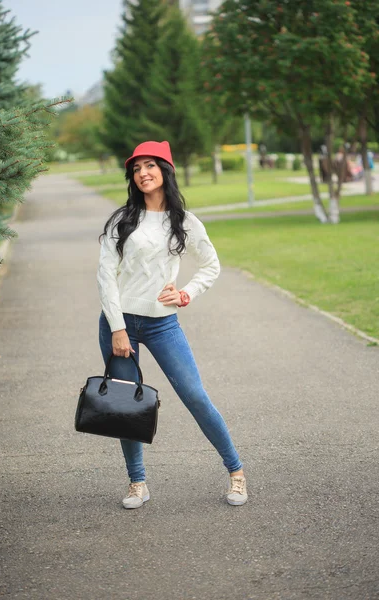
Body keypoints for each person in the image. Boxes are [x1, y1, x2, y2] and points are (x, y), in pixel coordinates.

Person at [97, 140, 247, 509]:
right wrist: (117, 327)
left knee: (195, 396)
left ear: (166, 171)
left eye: (151, 165)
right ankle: (137, 483)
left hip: (163, 325)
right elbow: (106, 276)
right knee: (125, 407)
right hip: (120, 325)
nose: (143, 173)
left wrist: (186, 294)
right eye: (137, 168)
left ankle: (237, 472)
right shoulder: (122, 220)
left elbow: (211, 266)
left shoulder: (185, 222)